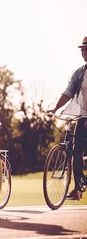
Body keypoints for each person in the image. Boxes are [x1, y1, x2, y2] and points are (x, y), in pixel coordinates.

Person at [47, 36, 87, 201]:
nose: (84, 52)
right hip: (83, 117)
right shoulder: (80, 73)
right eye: (82, 49)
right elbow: (68, 93)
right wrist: (55, 109)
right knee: (75, 152)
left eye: (86, 49)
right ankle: (77, 189)